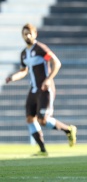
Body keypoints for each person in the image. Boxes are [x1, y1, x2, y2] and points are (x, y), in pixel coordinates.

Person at [5, 23, 77, 156]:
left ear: (35, 34)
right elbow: (23, 71)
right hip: (33, 90)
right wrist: (13, 77)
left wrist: (48, 79)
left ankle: (68, 130)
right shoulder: (23, 54)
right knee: (30, 118)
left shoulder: (40, 49)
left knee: (42, 120)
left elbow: (56, 63)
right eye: (25, 33)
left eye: (29, 33)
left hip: (45, 89)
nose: (27, 35)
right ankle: (43, 149)